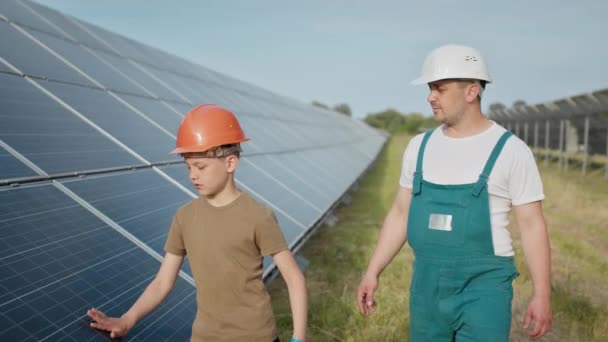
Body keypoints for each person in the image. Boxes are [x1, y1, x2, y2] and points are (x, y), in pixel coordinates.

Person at [357, 44, 552, 341]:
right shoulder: (418, 148)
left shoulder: (511, 151)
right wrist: (373, 270)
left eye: (439, 88)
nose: (430, 96)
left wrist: (542, 294)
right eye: (430, 88)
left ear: (472, 91)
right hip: (426, 288)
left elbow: (532, 224)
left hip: (484, 288)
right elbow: (400, 214)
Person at [86, 104, 307, 342]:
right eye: (189, 167)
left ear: (230, 163)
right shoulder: (184, 217)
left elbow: (294, 278)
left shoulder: (258, 216)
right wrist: (127, 320)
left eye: (201, 167)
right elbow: (163, 281)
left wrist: (298, 338)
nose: (193, 175)